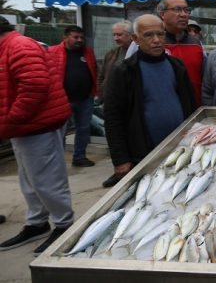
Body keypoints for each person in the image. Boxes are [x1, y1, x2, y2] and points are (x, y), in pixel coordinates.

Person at [0, 16, 74, 255]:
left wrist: (11, 120)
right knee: (29, 179)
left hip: (36, 125)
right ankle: (37, 222)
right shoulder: (9, 46)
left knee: (47, 180)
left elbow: (35, 86)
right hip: (24, 127)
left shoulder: (18, 46)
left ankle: (65, 226)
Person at [104, 15, 196, 184]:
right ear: (135, 39)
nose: (156, 40)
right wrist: (120, 159)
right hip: (143, 155)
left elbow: (191, 105)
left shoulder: (177, 66)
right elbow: (112, 118)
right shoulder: (124, 71)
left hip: (181, 148)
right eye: (148, 35)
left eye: (160, 34)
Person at [126, 0, 206, 106]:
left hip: (193, 109)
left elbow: (205, 79)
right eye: (177, 9)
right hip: (157, 110)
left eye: (186, 10)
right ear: (162, 14)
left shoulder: (197, 43)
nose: (183, 14)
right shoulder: (143, 42)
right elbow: (127, 75)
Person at [48, 25, 98, 167]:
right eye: (75, 37)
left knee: (83, 129)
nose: (80, 40)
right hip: (62, 100)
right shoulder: (53, 52)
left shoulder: (88, 52)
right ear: (65, 38)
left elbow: (94, 71)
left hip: (85, 99)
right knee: (60, 132)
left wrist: (95, 91)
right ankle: (58, 162)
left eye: (82, 37)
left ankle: (79, 157)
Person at [97, 21, 133, 105]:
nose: (115, 38)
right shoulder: (111, 53)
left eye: (119, 35)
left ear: (131, 35)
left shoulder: (138, 53)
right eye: (114, 35)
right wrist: (101, 94)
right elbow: (101, 76)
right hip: (110, 100)